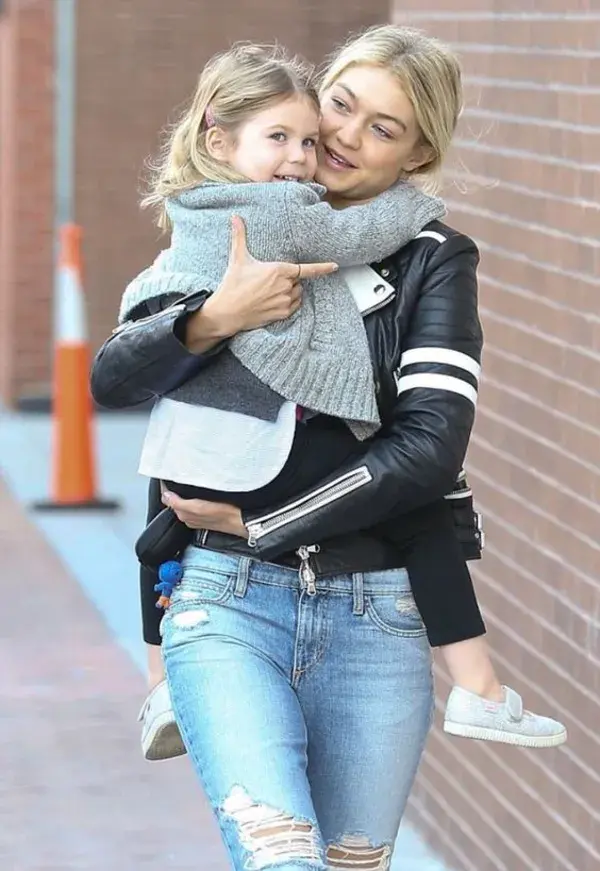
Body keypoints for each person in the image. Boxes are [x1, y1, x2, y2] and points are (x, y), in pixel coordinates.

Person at [91, 25, 566, 871]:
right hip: (222, 600)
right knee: (281, 859)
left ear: (417, 156)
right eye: (339, 107)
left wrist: (264, 516)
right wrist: (211, 321)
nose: (342, 138)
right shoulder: (234, 224)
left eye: (382, 129)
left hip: (375, 613)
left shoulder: (433, 261)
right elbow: (119, 378)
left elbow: (429, 447)